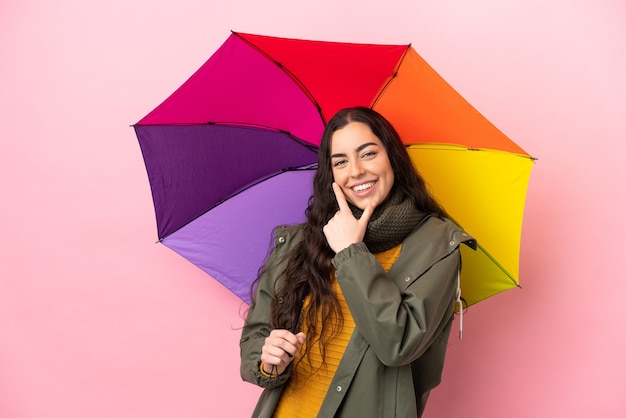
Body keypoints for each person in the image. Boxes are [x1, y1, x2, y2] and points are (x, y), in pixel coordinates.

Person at [239, 107, 476, 417]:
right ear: (331, 174)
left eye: (368, 154)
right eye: (341, 161)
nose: (356, 171)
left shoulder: (437, 244)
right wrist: (268, 358)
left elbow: (398, 344)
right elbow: (254, 340)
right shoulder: (299, 243)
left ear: (392, 157)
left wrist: (351, 251)